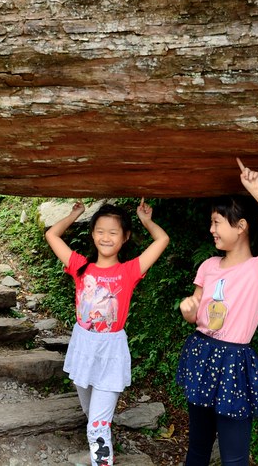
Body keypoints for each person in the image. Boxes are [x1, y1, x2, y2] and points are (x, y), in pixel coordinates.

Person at [176, 158, 258, 466]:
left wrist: (257, 190)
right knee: (197, 447)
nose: (211, 230)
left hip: (234, 361)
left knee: (234, 457)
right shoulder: (208, 266)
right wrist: (188, 309)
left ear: (241, 227)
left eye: (216, 223)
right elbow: (195, 314)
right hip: (201, 353)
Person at [45, 199, 171, 466]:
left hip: (110, 351)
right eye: (100, 231)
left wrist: (147, 222)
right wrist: (75, 213)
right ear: (92, 234)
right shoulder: (80, 266)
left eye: (113, 232)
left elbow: (162, 240)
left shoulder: (129, 271)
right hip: (83, 348)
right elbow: (52, 235)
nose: (105, 237)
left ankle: (102, 458)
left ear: (125, 237)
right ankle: (102, 450)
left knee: (97, 426)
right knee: (93, 415)